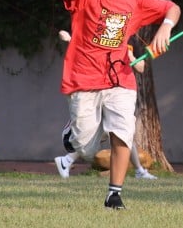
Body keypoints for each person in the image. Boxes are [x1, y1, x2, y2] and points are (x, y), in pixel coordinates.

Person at [53, 0, 181, 210]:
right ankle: (71, 134)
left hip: (121, 77)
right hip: (84, 78)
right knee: (85, 149)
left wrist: (165, 29)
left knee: (123, 132)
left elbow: (172, 8)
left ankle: (114, 193)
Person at [54, 33, 159, 180]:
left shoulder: (133, 40)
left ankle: (67, 160)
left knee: (124, 133)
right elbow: (88, 50)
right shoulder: (105, 33)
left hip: (121, 92)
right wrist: (70, 39)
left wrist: (130, 56)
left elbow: (140, 67)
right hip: (102, 89)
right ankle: (68, 156)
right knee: (114, 132)